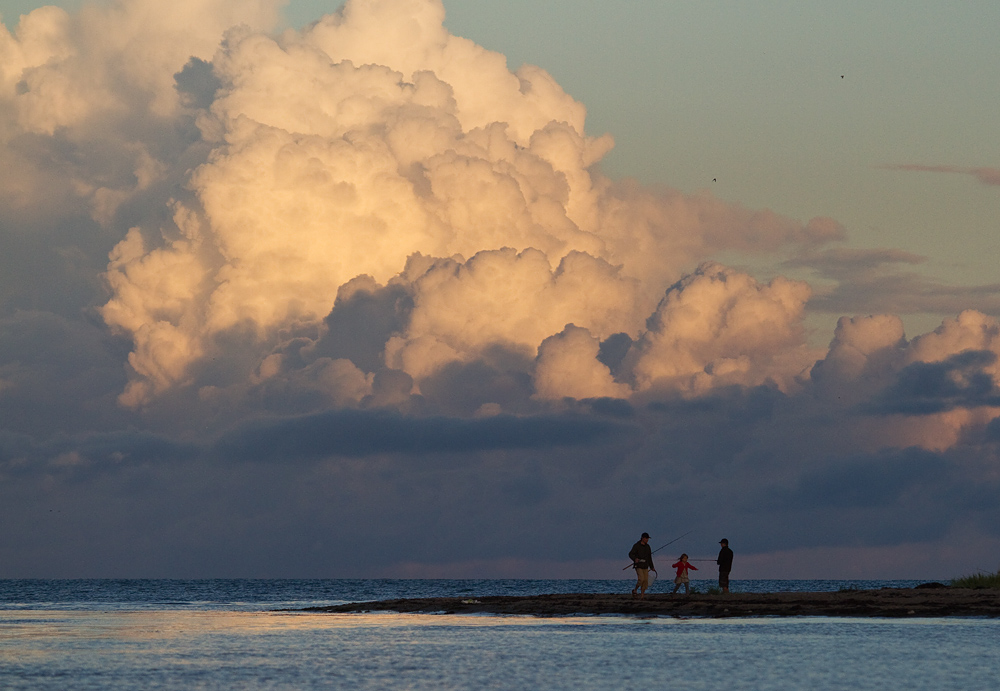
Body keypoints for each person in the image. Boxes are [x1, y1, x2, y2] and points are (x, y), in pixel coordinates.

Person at [629, 532, 656, 599]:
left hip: (645, 565)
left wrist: (652, 566)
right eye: (646, 538)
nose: (647, 540)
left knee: (645, 581)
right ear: (643, 538)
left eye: (648, 539)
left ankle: (642, 595)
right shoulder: (636, 545)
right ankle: (635, 590)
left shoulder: (648, 547)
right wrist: (635, 559)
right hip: (638, 565)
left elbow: (649, 558)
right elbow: (630, 554)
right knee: (641, 579)